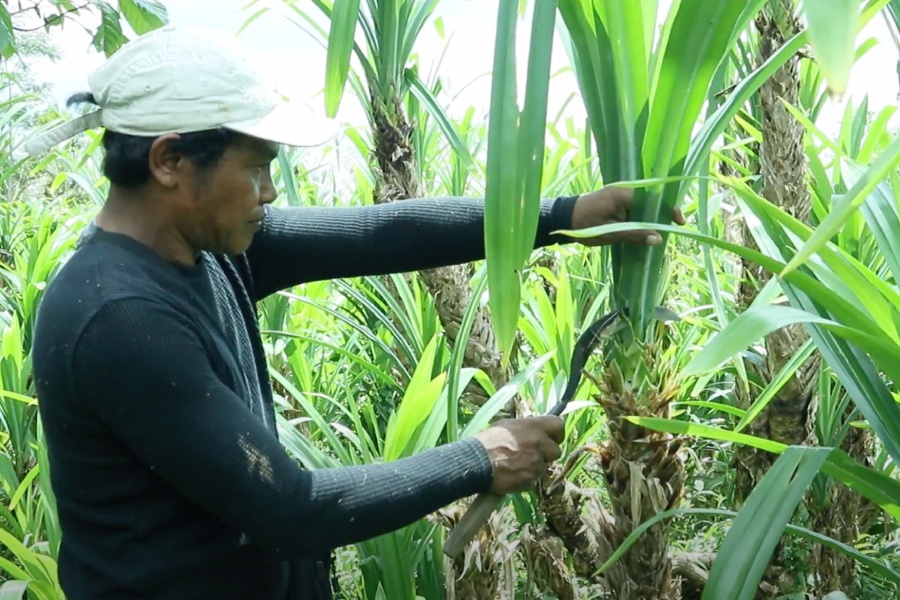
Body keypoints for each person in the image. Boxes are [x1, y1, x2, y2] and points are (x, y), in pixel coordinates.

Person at [25, 26, 684, 600]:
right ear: (169, 160)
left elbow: (381, 234)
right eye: (255, 169)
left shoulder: (208, 248)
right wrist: (480, 458)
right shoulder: (118, 318)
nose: (269, 191)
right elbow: (290, 509)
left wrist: (562, 217)